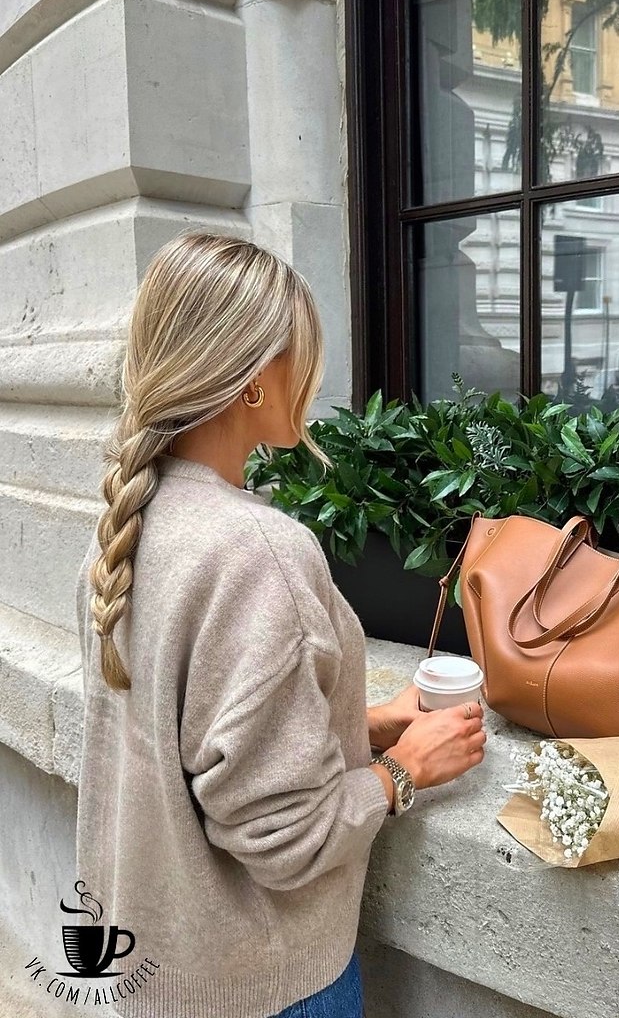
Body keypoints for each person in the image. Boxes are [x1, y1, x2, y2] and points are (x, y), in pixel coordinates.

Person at [74, 232, 486, 1018]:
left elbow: (189, 737)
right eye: (303, 352)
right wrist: (404, 773)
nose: (314, 378)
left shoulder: (125, 527)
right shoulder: (256, 550)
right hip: (264, 987)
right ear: (256, 380)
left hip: (149, 970)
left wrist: (364, 725)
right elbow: (285, 837)